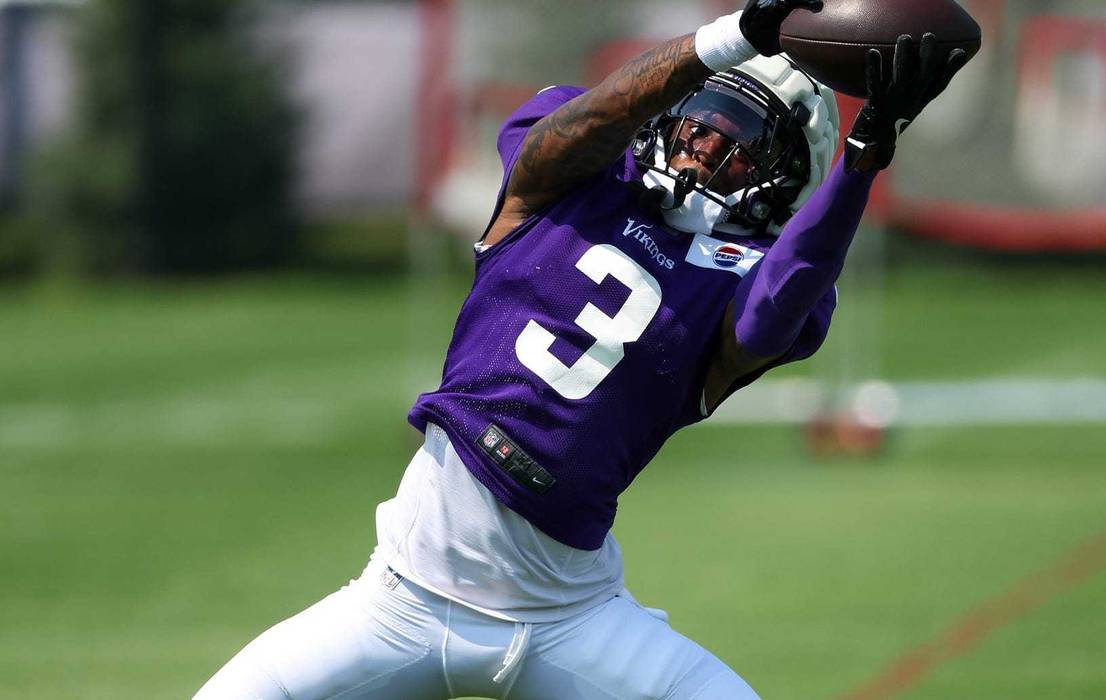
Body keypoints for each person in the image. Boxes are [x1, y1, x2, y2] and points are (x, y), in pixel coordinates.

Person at [194, 1, 966, 698]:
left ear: (782, 181)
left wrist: (863, 157)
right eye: (703, 119)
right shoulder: (570, 178)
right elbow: (586, 125)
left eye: (739, 142)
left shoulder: (754, 277)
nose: (702, 145)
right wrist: (725, 38)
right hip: (402, 596)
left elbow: (770, 316)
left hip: (567, 620)